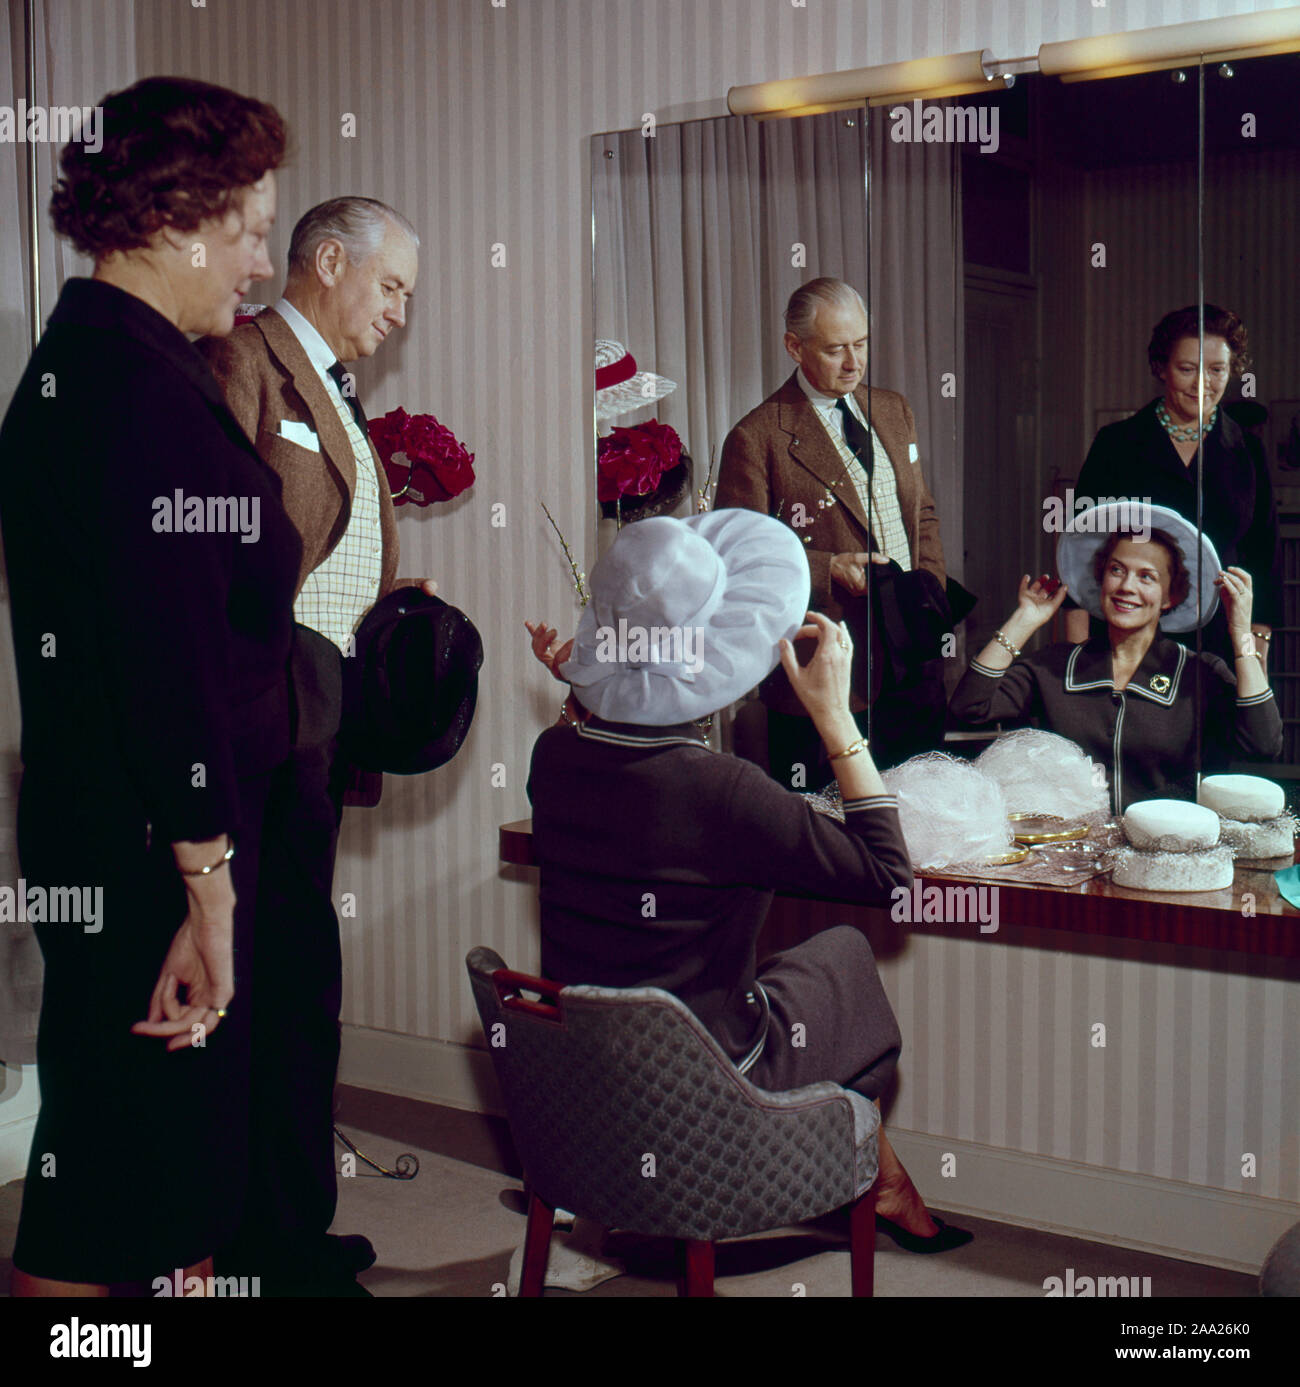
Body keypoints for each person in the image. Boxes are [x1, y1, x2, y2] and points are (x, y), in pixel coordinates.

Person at [0, 76, 296, 1294]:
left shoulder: (99, 362)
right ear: (180, 221)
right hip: (152, 851)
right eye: (252, 229)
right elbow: (165, 668)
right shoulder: (134, 397)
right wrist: (208, 890)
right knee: (117, 1178)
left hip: (118, 830)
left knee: (143, 1161)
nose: (263, 261)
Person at [527, 510, 972, 1255]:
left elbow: (622, 795)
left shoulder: (552, 757)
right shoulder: (724, 790)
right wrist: (834, 717)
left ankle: (886, 1179)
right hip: (707, 1089)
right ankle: (867, 1178)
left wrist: (590, 682)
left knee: (800, 966)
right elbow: (889, 877)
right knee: (846, 958)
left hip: (587, 1078)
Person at [196, 197, 432, 1295]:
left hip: (319, 725)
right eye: (391, 287)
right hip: (255, 726)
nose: (398, 312)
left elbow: (333, 550)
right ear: (326, 261)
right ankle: (250, 1245)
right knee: (253, 989)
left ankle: (290, 1228)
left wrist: (388, 597)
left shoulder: (341, 395)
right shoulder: (241, 363)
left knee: (298, 982)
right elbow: (203, 558)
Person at [715, 277, 948, 786]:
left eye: (861, 344)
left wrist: (930, 586)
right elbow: (737, 561)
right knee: (829, 832)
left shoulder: (893, 409)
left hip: (912, 662)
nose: (853, 362)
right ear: (794, 347)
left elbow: (921, 514)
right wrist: (828, 569)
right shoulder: (756, 438)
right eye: (836, 349)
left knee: (924, 821)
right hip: (825, 672)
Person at [951, 505, 1281, 813]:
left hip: (1166, 857)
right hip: (1074, 857)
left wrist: (1241, 635)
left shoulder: (1200, 673)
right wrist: (1024, 620)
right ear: (1101, 579)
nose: (1126, 587)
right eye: (1117, 570)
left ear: (1171, 596)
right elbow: (968, 707)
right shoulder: (1054, 667)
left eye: (1147, 576)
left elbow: (1264, 744)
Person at [1067, 305, 1280, 668]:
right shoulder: (1116, 443)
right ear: (1161, 368)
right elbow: (1081, 553)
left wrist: (1255, 651)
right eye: (1187, 369)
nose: (1203, 384)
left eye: (1217, 370)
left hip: (1222, 642)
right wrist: (1076, 656)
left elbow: (1264, 559)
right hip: (1126, 640)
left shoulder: (1249, 449)